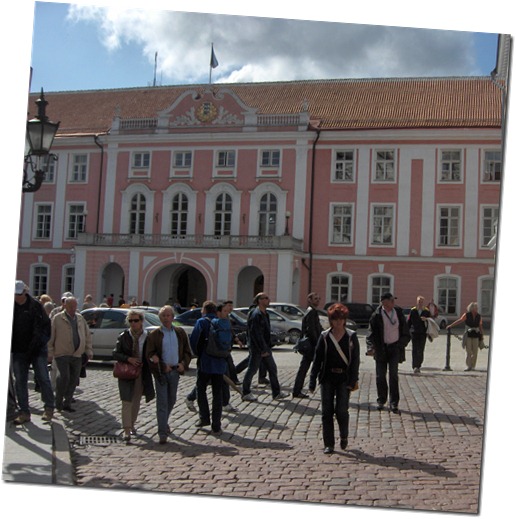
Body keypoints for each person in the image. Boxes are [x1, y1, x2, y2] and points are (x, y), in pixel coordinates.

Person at [309, 304, 360, 454]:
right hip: (327, 377)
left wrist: (353, 380)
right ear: (330, 321)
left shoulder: (351, 336)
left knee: (341, 411)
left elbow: (355, 360)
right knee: (327, 412)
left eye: (340, 319)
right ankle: (329, 443)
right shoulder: (325, 336)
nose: (338, 322)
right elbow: (317, 359)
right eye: (335, 319)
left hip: (344, 377)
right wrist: (312, 380)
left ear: (344, 320)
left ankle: (344, 436)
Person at [146, 305, 192, 444]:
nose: (166, 318)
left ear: (173, 317)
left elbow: (187, 352)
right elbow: (150, 353)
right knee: (162, 403)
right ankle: (162, 433)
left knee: (171, 400)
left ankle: (164, 422)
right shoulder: (155, 335)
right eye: (163, 316)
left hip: (175, 371)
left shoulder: (179, 332)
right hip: (161, 372)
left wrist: (183, 364)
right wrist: (159, 363)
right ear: (160, 318)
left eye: (168, 315)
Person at [11, 280, 55, 424]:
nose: (17, 297)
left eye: (19, 294)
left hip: (37, 349)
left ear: (25, 292)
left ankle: (49, 407)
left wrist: (40, 343)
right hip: (19, 349)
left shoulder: (36, 306)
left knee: (43, 378)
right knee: (20, 382)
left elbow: (46, 328)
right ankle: (24, 412)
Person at [112, 309, 155, 443]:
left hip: (141, 373)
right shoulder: (124, 336)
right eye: (130, 321)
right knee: (126, 400)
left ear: (141, 321)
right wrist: (128, 358)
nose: (133, 323)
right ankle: (126, 429)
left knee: (136, 400)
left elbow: (152, 352)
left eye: (136, 320)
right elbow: (116, 353)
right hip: (126, 372)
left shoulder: (147, 336)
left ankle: (132, 424)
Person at [190, 301, 232, 435]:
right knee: (217, 394)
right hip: (220, 363)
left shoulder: (202, 322)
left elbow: (194, 341)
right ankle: (216, 424)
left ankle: (204, 418)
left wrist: (199, 354)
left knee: (201, 390)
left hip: (205, 362)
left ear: (204, 310)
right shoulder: (222, 322)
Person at [47, 296, 93, 413]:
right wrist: (50, 352)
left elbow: (86, 335)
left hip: (77, 354)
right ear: (65, 306)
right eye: (70, 306)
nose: (73, 308)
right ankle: (58, 401)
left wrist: (88, 350)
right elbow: (51, 336)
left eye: (74, 306)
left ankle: (67, 403)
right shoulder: (57, 318)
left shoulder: (79, 318)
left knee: (73, 379)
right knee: (64, 377)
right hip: (61, 353)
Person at [366, 293, 410, 414]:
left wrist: (400, 345)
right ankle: (381, 400)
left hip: (394, 348)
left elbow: (406, 332)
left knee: (393, 376)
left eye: (393, 300)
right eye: (391, 300)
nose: (393, 302)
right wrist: (370, 347)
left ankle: (394, 402)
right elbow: (370, 333)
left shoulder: (398, 313)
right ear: (384, 302)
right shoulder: (376, 315)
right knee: (380, 376)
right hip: (381, 349)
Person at [241, 293, 289, 402]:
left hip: (265, 347)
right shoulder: (255, 314)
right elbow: (255, 334)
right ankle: (245, 392)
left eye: (268, 297)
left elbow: (265, 332)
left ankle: (276, 393)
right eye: (265, 298)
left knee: (272, 369)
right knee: (252, 370)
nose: (268, 300)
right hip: (257, 348)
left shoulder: (265, 313)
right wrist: (263, 349)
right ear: (259, 301)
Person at [293, 292, 323, 398]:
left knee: (304, 368)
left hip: (310, 345)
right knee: (314, 368)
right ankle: (326, 390)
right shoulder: (311, 312)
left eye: (318, 298)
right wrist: (317, 343)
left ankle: (297, 390)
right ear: (309, 300)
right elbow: (311, 330)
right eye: (315, 298)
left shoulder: (311, 311)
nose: (318, 300)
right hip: (311, 345)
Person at [447, 302, 484, 371]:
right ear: (472, 308)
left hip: (476, 335)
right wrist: (451, 325)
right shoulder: (466, 315)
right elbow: (460, 321)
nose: (477, 309)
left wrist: (482, 336)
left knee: (475, 352)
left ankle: (473, 366)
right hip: (468, 334)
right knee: (468, 351)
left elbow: (480, 326)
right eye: (476, 308)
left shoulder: (479, 316)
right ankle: (468, 366)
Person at [407, 296, 431, 374]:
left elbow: (431, 322)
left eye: (421, 301)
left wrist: (426, 320)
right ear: (416, 302)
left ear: (423, 302)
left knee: (421, 350)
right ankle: (414, 366)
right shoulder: (413, 310)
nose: (420, 303)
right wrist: (406, 331)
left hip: (422, 333)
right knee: (414, 349)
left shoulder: (426, 311)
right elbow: (409, 322)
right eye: (418, 301)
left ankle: (419, 365)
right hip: (414, 332)